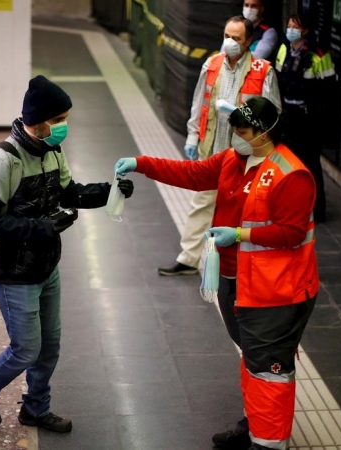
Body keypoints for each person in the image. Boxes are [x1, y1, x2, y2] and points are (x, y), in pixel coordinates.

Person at [115, 96, 319, 450]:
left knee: (269, 368)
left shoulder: (291, 175)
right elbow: (192, 174)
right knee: (252, 358)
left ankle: (269, 445)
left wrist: (239, 235)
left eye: (241, 131)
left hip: (275, 291)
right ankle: (254, 424)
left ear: (263, 131)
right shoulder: (232, 160)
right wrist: (141, 163)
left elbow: (292, 232)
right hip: (234, 282)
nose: (235, 138)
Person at [0, 75, 135, 433]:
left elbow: (68, 192)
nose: (64, 127)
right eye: (58, 120)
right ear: (38, 121)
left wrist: (109, 191)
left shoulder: (52, 150)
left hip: (45, 267)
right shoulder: (4, 160)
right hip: (13, 272)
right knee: (26, 349)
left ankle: (35, 409)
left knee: (48, 347)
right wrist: (41, 228)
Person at [161, 16, 281, 276]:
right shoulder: (212, 64)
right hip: (212, 150)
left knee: (244, 210)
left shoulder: (263, 71)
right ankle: (189, 259)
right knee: (201, 203)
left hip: (244, 156)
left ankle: (244, 264)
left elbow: (274, 115)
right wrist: (192, 136)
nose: (229, 42)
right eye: (227, 36)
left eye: (236, 39)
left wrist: (241, 113)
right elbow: (198, 103)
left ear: (249, 41)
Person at [276, 13, 334, 223]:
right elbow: (278, 78)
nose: (290, 30)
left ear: (305, 31)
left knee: (311, 164)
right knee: (285, 162)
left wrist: (320, 119)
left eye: (295, 27)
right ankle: (289, 205)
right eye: (289, 25)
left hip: (309, 118)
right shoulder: (284, 48)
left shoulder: (318, 54)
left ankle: (317, 211)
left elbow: (328, 91)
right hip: (287, 114)